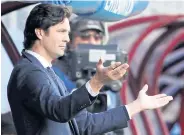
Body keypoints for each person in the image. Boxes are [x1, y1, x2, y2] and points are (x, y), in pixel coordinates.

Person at [7, 4, 173, 135]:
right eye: (61, 32)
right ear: (40, 33)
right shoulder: (30, 71)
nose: (66, 38)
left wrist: (137, 106)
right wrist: (96, 83)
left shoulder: (47, 72)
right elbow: (59, 110)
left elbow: (85, 125)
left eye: (96, 37)